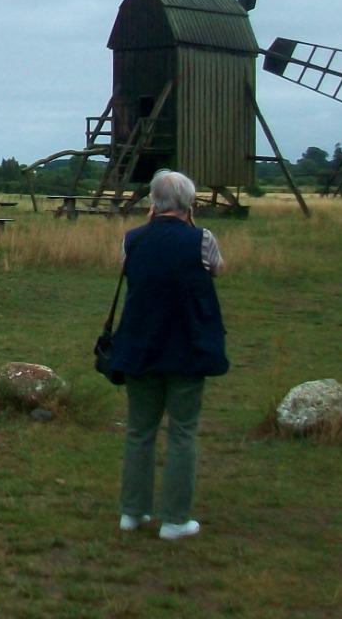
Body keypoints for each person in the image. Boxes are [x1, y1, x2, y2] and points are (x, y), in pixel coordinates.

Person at [107, 168, 228, 541]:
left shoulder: (133, 240)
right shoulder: (202, 239)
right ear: (189, 204)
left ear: (153, 204)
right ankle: (175, 520)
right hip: (187, 346)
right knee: (182, 432)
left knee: (139, 431)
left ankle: (132, 511)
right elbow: (218, 270)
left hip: (141, 345)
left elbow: (129, 271)